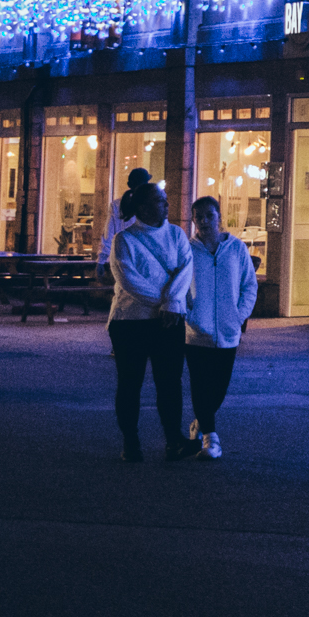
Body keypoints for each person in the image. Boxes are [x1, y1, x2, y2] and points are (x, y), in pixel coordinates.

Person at [107, 182, 193, 462]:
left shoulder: (177, 235)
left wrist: (172, 303)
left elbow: (185, 270)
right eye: (160, 201)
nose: (167, 205)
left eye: (166, 200)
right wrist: (167, 303)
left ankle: (173, 439)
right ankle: (130, 441)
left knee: (170, 382)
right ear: (142, 207)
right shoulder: (124, 240)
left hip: (169, 320)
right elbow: (130, 281)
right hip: (131, 321)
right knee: (130, 383)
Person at [180, 195, 258, 459]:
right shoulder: (187, 251)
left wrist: (239, 316)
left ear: (219, 217)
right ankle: (211, 439)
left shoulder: (236, 249)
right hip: (196, 333)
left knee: (219, 388)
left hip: (228, 331)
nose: (203, 221)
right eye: (198, 216)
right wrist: (190, 316)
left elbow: (249, 285)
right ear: (193, 220)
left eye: (208, 216)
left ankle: (200, 422)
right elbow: (179, 288)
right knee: (200, 384)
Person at [96, 167, 156, 286]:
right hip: (144, 261)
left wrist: (101, 260)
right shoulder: (151, 206)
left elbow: (108, 235)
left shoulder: (117, 205)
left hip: (121, 259)